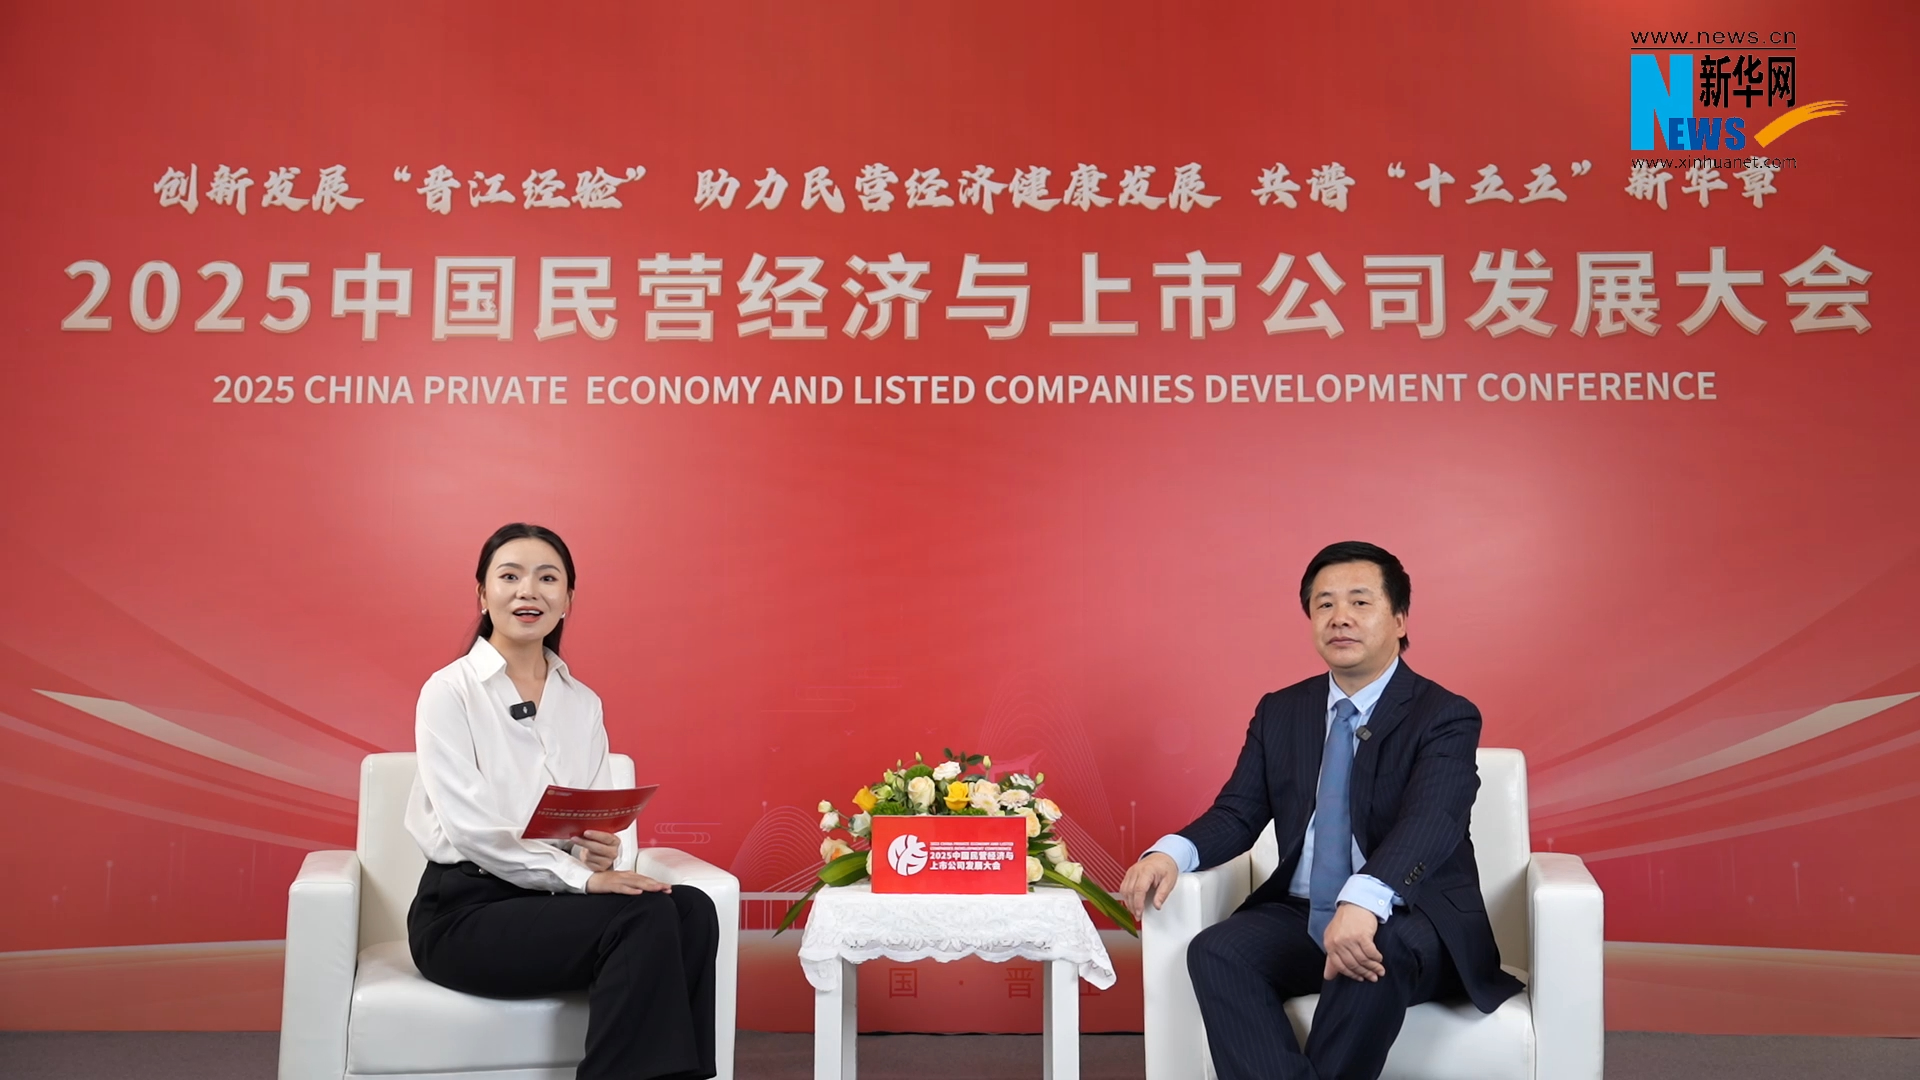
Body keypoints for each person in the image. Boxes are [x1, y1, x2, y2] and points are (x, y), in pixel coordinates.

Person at [1120, 540, 1522, 1080]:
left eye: (1360, 602)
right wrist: (1171, 853)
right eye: (1324, 604)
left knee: (1373, 946)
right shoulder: (1282, 711)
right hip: (1302, 913)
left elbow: (1433, 820)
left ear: (1399, 620)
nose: (1340, 618)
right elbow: (1239, 812)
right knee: (1218, 951)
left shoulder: (1444, 714)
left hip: (1412, 918)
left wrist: (1364, 900)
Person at [404, 522, 717, 1080]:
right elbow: (471, 830)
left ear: (568, 598)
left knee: (692, 909)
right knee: (643, 915)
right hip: (464, 912)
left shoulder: (583, 702)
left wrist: (598, 853)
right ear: (482, 595)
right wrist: (585, 881)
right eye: (509, 576)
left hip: (553, 903)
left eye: (548, 578)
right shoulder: (449, 691)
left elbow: (592, 817)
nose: (529, 591)